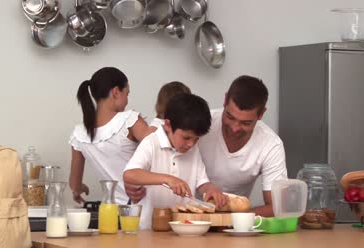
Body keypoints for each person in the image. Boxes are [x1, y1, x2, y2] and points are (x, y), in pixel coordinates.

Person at [123, 93, 228, 229]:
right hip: (148, 230)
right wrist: (168, 179)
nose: (191, 144)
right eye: (186, 137)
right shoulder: (152, 142)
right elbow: (129, 174)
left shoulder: (193, 150)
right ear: (167, 125)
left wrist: (211, 188)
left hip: (181, 229)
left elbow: (202, 183)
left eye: (196, 139)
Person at [198, 75, 287, 217]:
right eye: (230, 117)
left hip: (236, 227)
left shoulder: (271, 145)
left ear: (261, 114)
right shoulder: (200, 124)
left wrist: (230, 219)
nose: (234, 128)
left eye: (246, 123)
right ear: (225, 100)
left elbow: (277, 207)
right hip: (188, 220)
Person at [68, 67, 155, 205]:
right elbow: (157, 147)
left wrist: (79, 189)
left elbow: (74, 184)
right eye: (127, 94)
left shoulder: (79, 135)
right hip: (143, 206)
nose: (127, 100)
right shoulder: (129, 120)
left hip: (111, 210)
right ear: (115, 92)